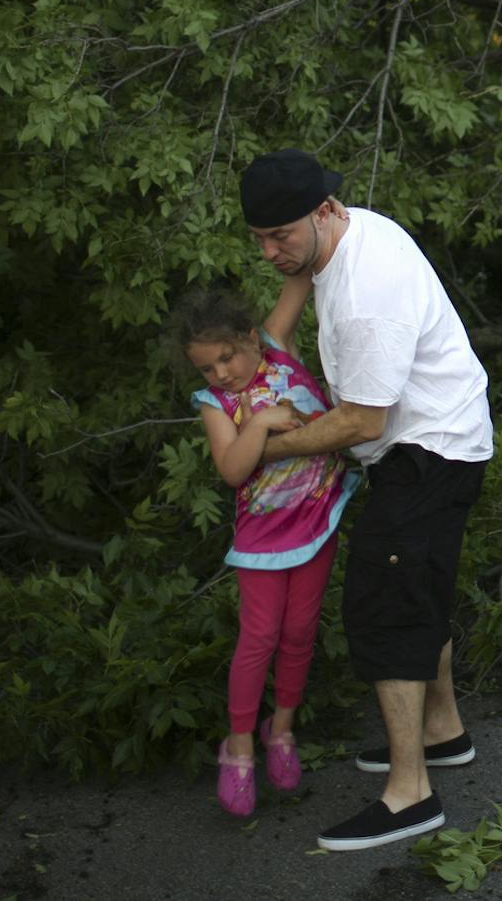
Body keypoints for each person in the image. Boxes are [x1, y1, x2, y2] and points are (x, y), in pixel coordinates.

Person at [237, 148, 494, 852]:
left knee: (385, 610)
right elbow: (277, 331)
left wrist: (265, 447)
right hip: (445, 436)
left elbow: (361, 423)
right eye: (258, 238)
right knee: (418, 589)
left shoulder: (365, 293)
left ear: (324, 210)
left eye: (279, 236)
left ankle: (410, 795)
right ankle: (442, 733)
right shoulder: (339, 236)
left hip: (426, 448)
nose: (268, 252)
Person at [173, 277, 358, 818]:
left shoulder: (278, 345)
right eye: (208, 367)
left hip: (318, 521)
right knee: (260, 638)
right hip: (261, 542)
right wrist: (259, 421)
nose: (223, 373)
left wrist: (319, 210)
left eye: (228, 357)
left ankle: (280, 730)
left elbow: (302, 273)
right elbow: (233, 469)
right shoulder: (218, 404)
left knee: (300, 632)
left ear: (251, 337)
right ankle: (239, 746)